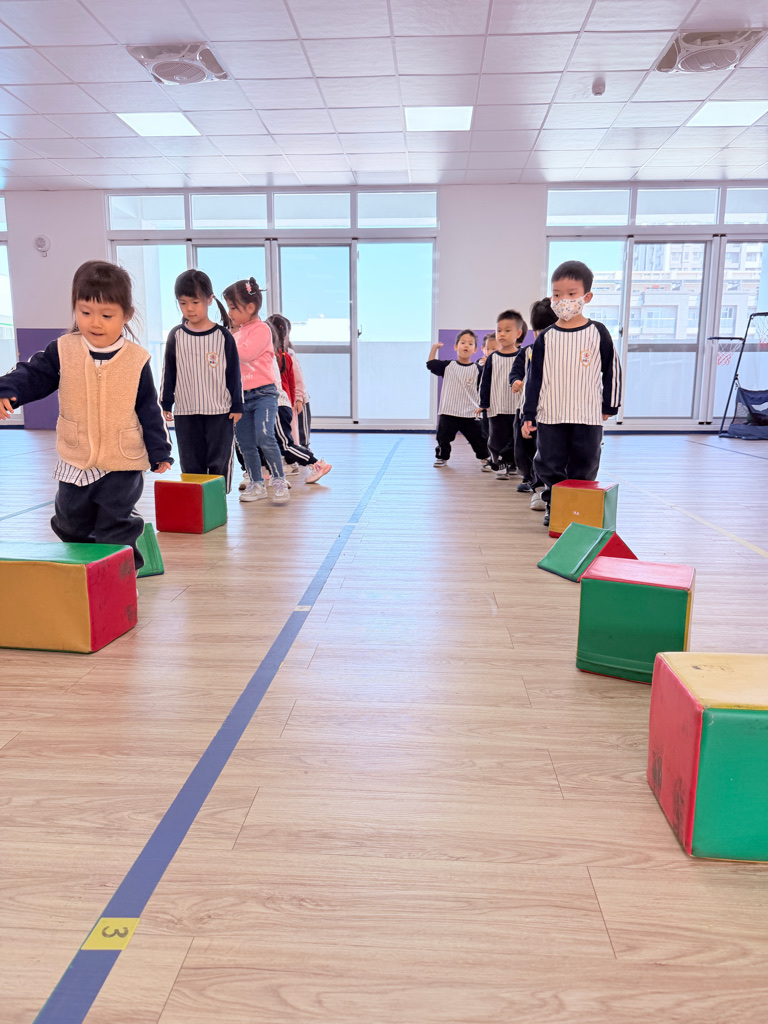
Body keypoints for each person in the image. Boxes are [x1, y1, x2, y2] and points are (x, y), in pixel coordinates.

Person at [0, 260, 172, 570]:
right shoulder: (63, 350)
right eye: (85, 312)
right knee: (69, 521)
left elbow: (148, 408)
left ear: (126, 315)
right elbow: (33, 374)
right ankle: (90, 566)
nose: (95, 323)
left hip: (122, 460)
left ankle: (122, 573)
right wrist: (7, 389)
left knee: (115, 524)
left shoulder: (136, 360)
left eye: (106, 315)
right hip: (76, 456)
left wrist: (159, 450)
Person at [522, 260, 622, 528]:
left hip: (587, 415)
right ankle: (555, 506)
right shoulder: (546, 338)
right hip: (551, 414)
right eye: (557, 294)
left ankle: (579, 510)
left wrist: (610, 405)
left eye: (571, 294)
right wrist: (529, 414)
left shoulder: (598, 332)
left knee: (585, 464)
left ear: (586, 297)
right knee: (549, 463)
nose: (563, 300)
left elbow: (613, 369)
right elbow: (534, 379)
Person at [161, 269, 242, 492]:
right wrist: (166, 402)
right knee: (190, 463)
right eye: (183, 303)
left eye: (195, 302)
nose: (189, 308)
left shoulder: (223, 336)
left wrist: (237, 405)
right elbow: (169, 371)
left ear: (209, 300)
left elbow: (233, 373)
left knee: (219, 462)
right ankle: (195, 505)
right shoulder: (176, 335)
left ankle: (217, 502)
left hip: (220, 412)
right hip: (186, 412)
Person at [222, 277, 289, 505]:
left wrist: (226, 343)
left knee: (264, 436)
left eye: (233, 308)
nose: (230, 313)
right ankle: (256, 483)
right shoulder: (236, 334)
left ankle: (279, 481)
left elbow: (246, 354)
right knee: (245, 443)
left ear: (250, 308)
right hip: (241, 397)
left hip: (263, 394)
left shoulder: (262, 330)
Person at [267, 314, 332, 484]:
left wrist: (297, 398)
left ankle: (315, 463)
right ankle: (286, 464)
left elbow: (295, 380)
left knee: (289, 442)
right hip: (278, 403)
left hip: (283, 404)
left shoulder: (285, 355)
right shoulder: (274, 355)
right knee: (283, 440)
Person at [510, 297, 558, 510]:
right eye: (538, 331)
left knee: (546, 452)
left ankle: (542, 489)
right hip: (526, 410)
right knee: (523, 449)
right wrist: (515, 381)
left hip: (552, 412)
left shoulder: (563, 352)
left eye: (547, 329)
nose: (542, 335)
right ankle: (530, 479)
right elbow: (515, 371)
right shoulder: (527, 351)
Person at [427, 332, 489, 469]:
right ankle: (442, 457)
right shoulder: (448, 366)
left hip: (470, 413)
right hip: (449, 412)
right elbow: (430, 364)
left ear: (475, 349)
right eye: (463, 343)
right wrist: (434, 348)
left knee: (479, 439)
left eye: (470, 343)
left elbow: (486, 387)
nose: (466, 346)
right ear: (456, 347)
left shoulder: (478, 369)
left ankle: (485, 458)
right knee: (443, 438)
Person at [478, 310, 526, 479]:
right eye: (499, 330)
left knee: (516, 439)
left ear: (518, 334)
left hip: (517, 407)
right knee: (496, 439)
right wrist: (483, 404)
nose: (502, 334)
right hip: (497, 407)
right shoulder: (492, 358)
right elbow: (485, 382)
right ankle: (499, 466)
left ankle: (512, 463)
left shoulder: (523, 355)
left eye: (507, 330)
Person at [478, 332, 498, 442]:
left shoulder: (500, 362)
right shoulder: (479, 364)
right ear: (482, 349)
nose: (490, 352)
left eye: (494, 349)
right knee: (485, 426)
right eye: (487, 349)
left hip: (497, 401)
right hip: (485, 401)